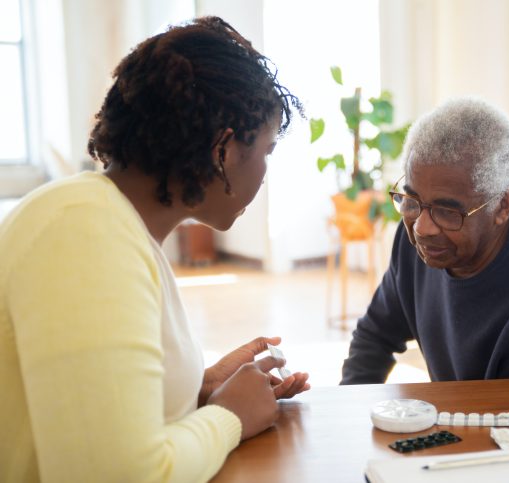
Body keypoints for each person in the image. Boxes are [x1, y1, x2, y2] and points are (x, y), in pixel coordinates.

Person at [0, 17, 309, 482]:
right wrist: (229, 417)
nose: (265, 172)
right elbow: (116, 474)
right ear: (223, 150)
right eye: (266, 149)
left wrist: (200, 390)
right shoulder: (83, 233)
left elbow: (102, 412)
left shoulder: (108, 222)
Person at [340, 96, 509, 385]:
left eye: (447, 211)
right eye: (412, 199)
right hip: (474, 418)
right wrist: (347, 417)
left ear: (502, 205)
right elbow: (374, 338)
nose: (422, 227)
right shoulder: (414, 238)